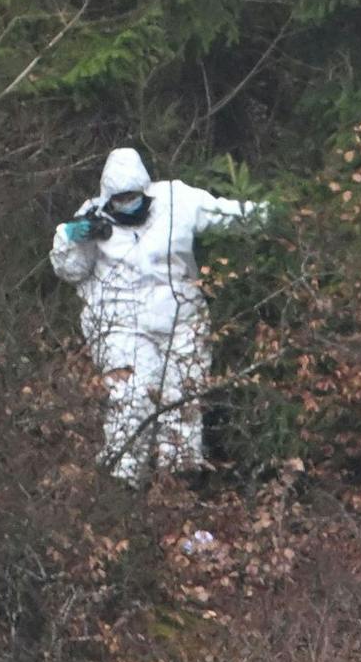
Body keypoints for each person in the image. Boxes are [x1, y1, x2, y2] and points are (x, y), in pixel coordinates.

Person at [50, 148, 266, 483]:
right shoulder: (92, 218)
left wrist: (275, 214)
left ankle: (179, 480)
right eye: (120, 198)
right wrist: (70, 240)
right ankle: (122, 481)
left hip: (182, 320)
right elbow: (72, 272)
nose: (128, 203)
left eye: (133, 196)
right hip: (120, 324)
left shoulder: (177, 201)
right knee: (129, 398)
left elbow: (227, 215)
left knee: (182, 400)